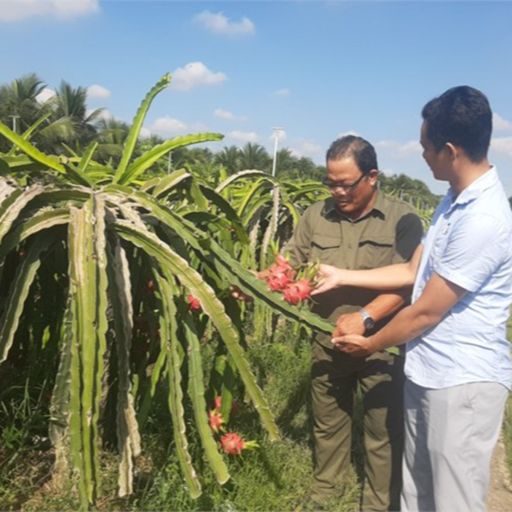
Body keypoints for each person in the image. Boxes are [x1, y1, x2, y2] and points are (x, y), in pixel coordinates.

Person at [313, 86, 512, 512]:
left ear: (450, 150)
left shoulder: (483, 219)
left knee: (453, 498)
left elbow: (424, 311)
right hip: (430, 370)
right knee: (418, 491)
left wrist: (369, 341)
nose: (420, 155)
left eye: (425, 147)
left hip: (462, 381)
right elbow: (411, 272)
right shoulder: (453, 202)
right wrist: (339, 274)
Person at [286, 135, 423, 510]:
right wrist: (256, 281)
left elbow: (411, 281)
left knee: (383, 428)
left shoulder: (403, 220)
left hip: (383, 343)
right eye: (330, 182)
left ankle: (378, 502)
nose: (337, 191)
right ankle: (325, 490)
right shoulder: (316, 215)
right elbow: (289, 263)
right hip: (326, 338)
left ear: (372, 176)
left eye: (346, 183)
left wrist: (366, 319)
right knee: (327, 420)